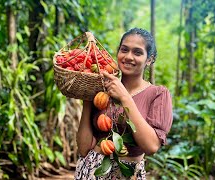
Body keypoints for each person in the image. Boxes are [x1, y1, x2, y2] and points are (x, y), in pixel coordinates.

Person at [74, 27, 173, 179]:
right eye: (124, 50)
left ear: (150, 59)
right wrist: (88, 99)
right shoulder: (102, 89)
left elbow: (151, 146)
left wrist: (124, 97)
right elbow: (83, 148)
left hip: (128, 174)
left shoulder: (158, 94)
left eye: (137, 52)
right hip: (91, 171)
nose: (128, 56)